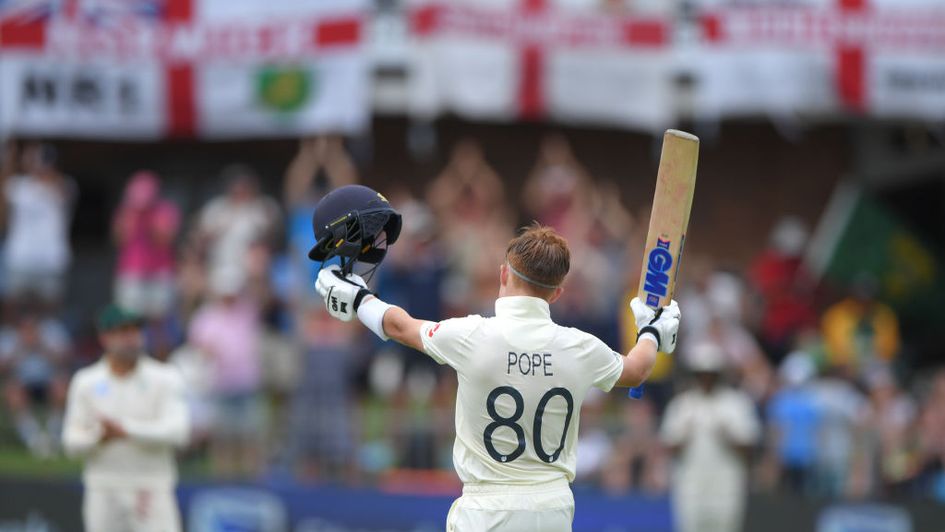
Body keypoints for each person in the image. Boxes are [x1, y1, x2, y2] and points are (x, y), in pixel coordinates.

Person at [316, 219, 680, 531]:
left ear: (504, 273)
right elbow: (637, 369)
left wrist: (359, 298)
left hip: (486, 510)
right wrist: (651, 330)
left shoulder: (472, 335)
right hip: (551, 510)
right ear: (556, 294)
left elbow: (401, 326)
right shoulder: (579, 347)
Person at [62, 304, 189, 532]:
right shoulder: (86, 382)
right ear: (104, 337)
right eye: (123, 332)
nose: (131, 339)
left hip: (151, 486)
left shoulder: (166, 377)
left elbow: (178, 432)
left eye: (135, 331)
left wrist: (126, 430)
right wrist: (99, 436)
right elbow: (71, 442)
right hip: (103, 487)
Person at [660, 342, 761, 532]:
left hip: (726, 487)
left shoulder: (736, 404)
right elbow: (668, 447)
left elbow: (750, 448)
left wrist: (728, 437)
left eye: (711, 373)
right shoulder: (682, 405)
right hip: (691, 487)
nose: (706, 378)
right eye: (702, 373)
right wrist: (684, 436)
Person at [3, 142, 76, 309]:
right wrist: (12, 159)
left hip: (52, 260)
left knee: (50, 309)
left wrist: (43, 169)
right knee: (15, 308)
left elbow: (62, 191)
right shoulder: (18, 185)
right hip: (20, 259)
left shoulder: (66, 184)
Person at [112, 170, 180, 318]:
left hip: (160, 271)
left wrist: (151, 224)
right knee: (128, 316)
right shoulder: (126, 211)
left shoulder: (165, 210)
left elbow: (165, 240)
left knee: (159, 316)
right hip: (131, 270)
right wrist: (129, 220)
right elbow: (118, 240)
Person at [0, 312, 70, 456]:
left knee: (61, 387)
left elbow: (63, 360)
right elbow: (3, 368)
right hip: (22, 385)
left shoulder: (51, 332)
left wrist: (40, 345)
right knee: (13, 392)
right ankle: (33, 439)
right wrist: (20, 346)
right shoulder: (8, 337)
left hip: (48, 383)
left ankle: (53, 437)